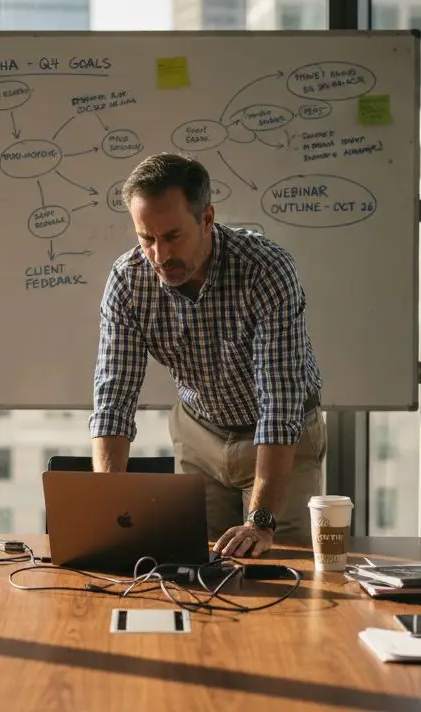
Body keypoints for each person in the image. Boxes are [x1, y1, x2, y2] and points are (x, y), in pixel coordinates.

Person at [88, 152, 326, 559]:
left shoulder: (266, 271)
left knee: (282, 566)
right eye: (147, 239)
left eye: (173, 236)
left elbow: (279, 405)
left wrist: (260, 521)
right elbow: (114, 398)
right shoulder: (128, 281)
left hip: (282, 435)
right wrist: (108, 508)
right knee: (197, 564)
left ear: (207, 219)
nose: (160, 255)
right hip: (200, 433)